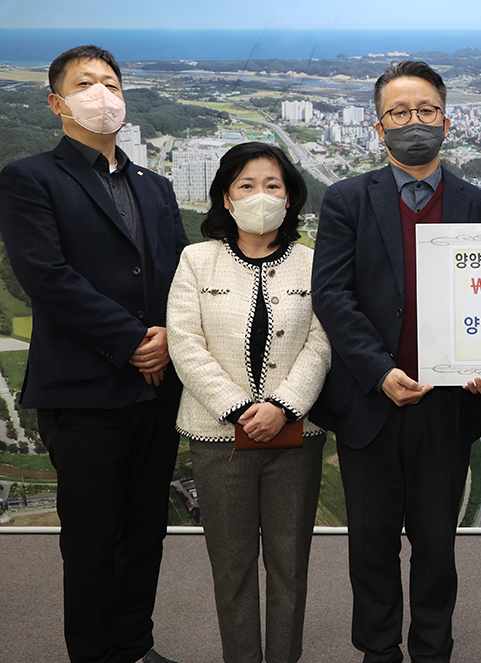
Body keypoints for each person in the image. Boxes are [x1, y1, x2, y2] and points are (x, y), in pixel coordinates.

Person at [0, 45, 188, 663]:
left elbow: (178, 275)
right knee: (90, 540)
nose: (101, 94)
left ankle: (136, 644)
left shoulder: (155, 186)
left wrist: (164, 333)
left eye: (111, 82)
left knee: (145, 533)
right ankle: (93, 652)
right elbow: (46, 277)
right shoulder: (30, 179)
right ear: (58, 104)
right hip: (84, 391)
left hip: (157, 390)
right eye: (85, 84)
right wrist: (134, 340)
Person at [310, 61, 481, 663]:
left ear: (447, 120)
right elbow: (332, 295)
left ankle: (432, 649)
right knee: (370, 545)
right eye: (399, 113)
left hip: (447, 407)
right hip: (372, 402)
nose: (413, 123)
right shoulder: (346, 200)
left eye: (425, 112)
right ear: (377, 125)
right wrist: (378, 370)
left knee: (437, 547)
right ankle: (378, 650)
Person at [166, 142, 331, 663]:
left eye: (273, 186)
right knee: (231, 567)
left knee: (289, 565)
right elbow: (183, 342)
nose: (261, 195)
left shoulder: (313, 262)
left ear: (290, 197)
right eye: (247, 185)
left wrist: (284, 404)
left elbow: (323, 341)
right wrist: (238, 409)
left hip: (296, 437)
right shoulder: (197, 259)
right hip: (218, 439)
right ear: (226, 198)